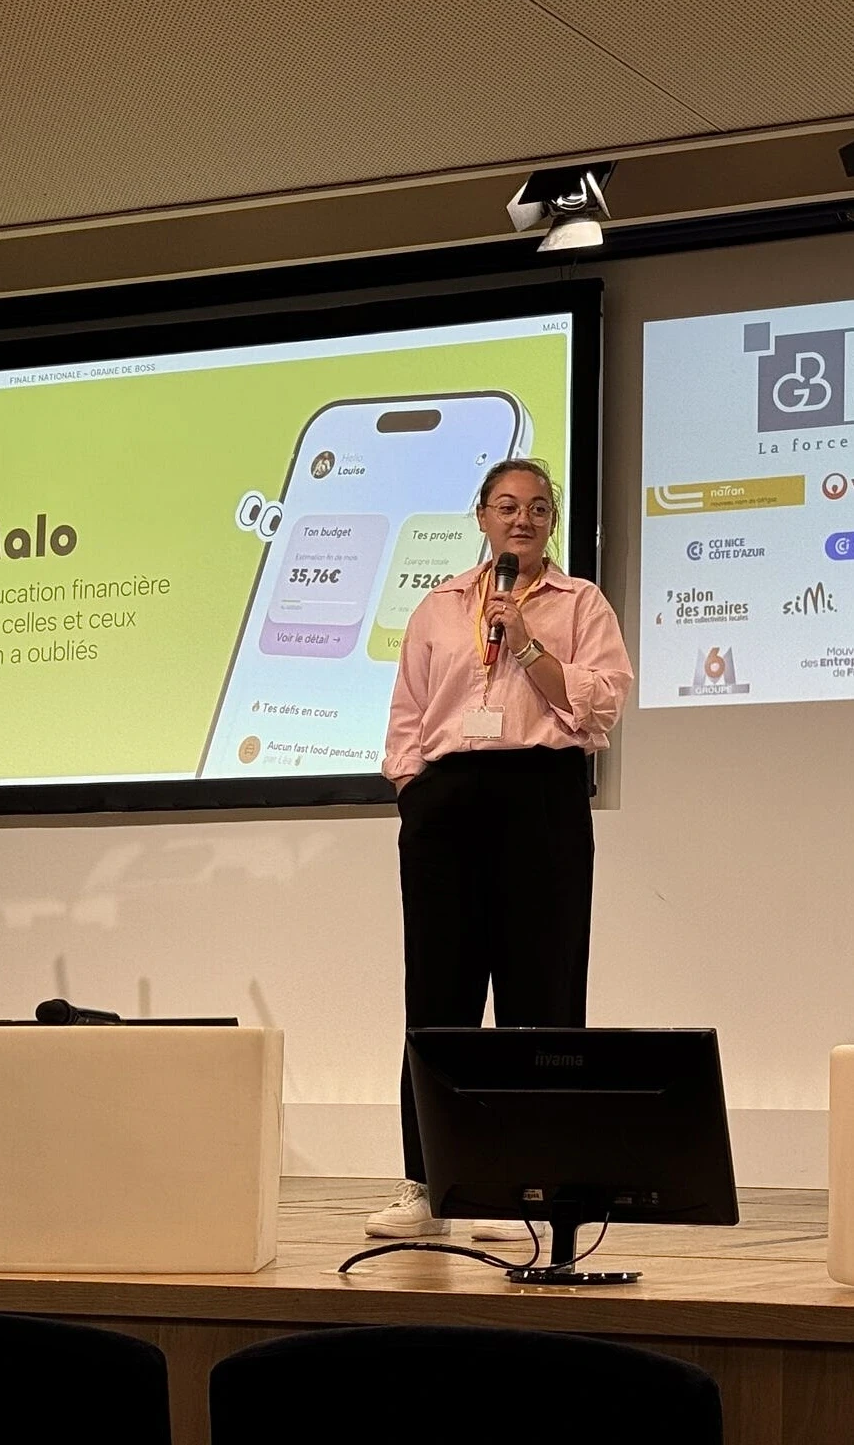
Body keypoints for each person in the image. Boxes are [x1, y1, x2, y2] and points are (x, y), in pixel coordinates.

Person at [365, 458, 633, 1241]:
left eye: (539, 508)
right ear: (481, 516)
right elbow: (409, 711)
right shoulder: (439, 605)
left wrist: (528, 647)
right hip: (447, 803)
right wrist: (414, 790)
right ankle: (428, 1184)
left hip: (540, 796)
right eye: (508, 506)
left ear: (552, 523)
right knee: (438, 998)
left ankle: (532, 1184)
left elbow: (601, 705)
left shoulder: (581, 604)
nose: (524, 519)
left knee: (540, 999)